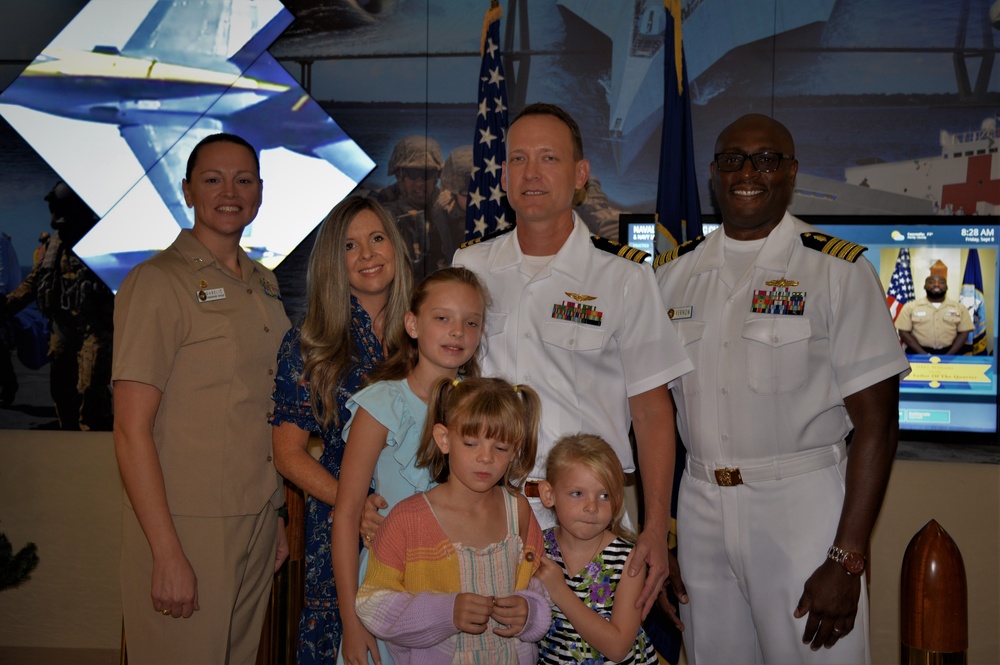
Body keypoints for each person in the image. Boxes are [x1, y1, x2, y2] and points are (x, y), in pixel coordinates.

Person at [654, 113, 910, 664]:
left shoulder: (836, 271)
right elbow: (659, 421)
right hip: (700, 509)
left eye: (765, 159)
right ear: (714, 175)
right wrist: (667, 536)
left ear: (790, 172)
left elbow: (879, 426)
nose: (747, 171)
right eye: (732, 159)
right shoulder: (671, 276)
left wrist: (847, 559)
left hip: (802, 512)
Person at [452, 102, 693, 616]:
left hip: (589, 521)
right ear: (503, 175)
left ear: (580, 175)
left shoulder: (624, 278)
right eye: (517, 159)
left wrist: (654, 528)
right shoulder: (470, 266)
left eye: (548, 158)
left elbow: (652, 412)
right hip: (490, 506)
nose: (531, 173)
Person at [113, 133, 291, 664]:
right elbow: (130, 430)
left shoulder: (264, 283)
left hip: (256, 515)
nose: (229, 191)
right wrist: (165, 551)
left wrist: (277, 514)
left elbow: (262, 404)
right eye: (212, 179)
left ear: (259, 192)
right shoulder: (157, 282)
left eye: (243, 180)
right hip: (186, 524)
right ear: (188, 191)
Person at [270, 196, 413, 664]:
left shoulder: (429, 331)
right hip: (339, 524)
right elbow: (288, 453)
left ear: (395, 246)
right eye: (351, 246)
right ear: (335, 262)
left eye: (376, 239)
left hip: (420, 517)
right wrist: (351, 503)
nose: (368, 255)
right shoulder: (310, 341)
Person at [332, 266, 488, 665]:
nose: (458, 331)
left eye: (471, 322)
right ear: (413, 325)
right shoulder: (383, 404)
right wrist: (352, 623)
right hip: (389, 588)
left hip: (459, 590)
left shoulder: (483, 410)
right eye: (443, 318)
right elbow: (348, 514)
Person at [355, 376, 549, 663]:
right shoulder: (408, 519)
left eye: (500, 448)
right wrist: (446, 612)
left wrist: (531, 614)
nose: (485, 458)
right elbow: (372, 602)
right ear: (444, 439)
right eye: (471, 443)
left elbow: (541, 586)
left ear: (515, 450)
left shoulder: (518, 511)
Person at [535, 433, 658, 664]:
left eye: (604, 495)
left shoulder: (628, 560)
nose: (591, 507)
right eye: (577, 493)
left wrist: (560, 591)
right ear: (549, 495)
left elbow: (618, 648)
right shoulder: (538, 549)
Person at [4, 181, 115, 429]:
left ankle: (95, 437)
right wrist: (6, 307)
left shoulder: (105, 247)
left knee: (90, 389)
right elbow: (33, 283)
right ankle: (68, 437)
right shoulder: (53, 247)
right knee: (62, 391)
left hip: (96, 329)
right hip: (63, 329)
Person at [376, 135, 446, 279]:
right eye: (412, 174)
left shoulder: (449, 210)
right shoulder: (380, 211)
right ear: (399, 175)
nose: (420, 183)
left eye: (427, 173)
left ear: (437, 175)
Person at [895, 274, 973, 355]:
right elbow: (903, 332)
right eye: (931, 282)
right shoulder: (910, 307)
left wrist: (948, 356)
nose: (936, 284)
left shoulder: (960, 308)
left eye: (941, 282)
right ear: (924, 286)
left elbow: (964, 333)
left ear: (946, 287)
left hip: (951, 354)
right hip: (917, 353)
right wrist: (924, 355)